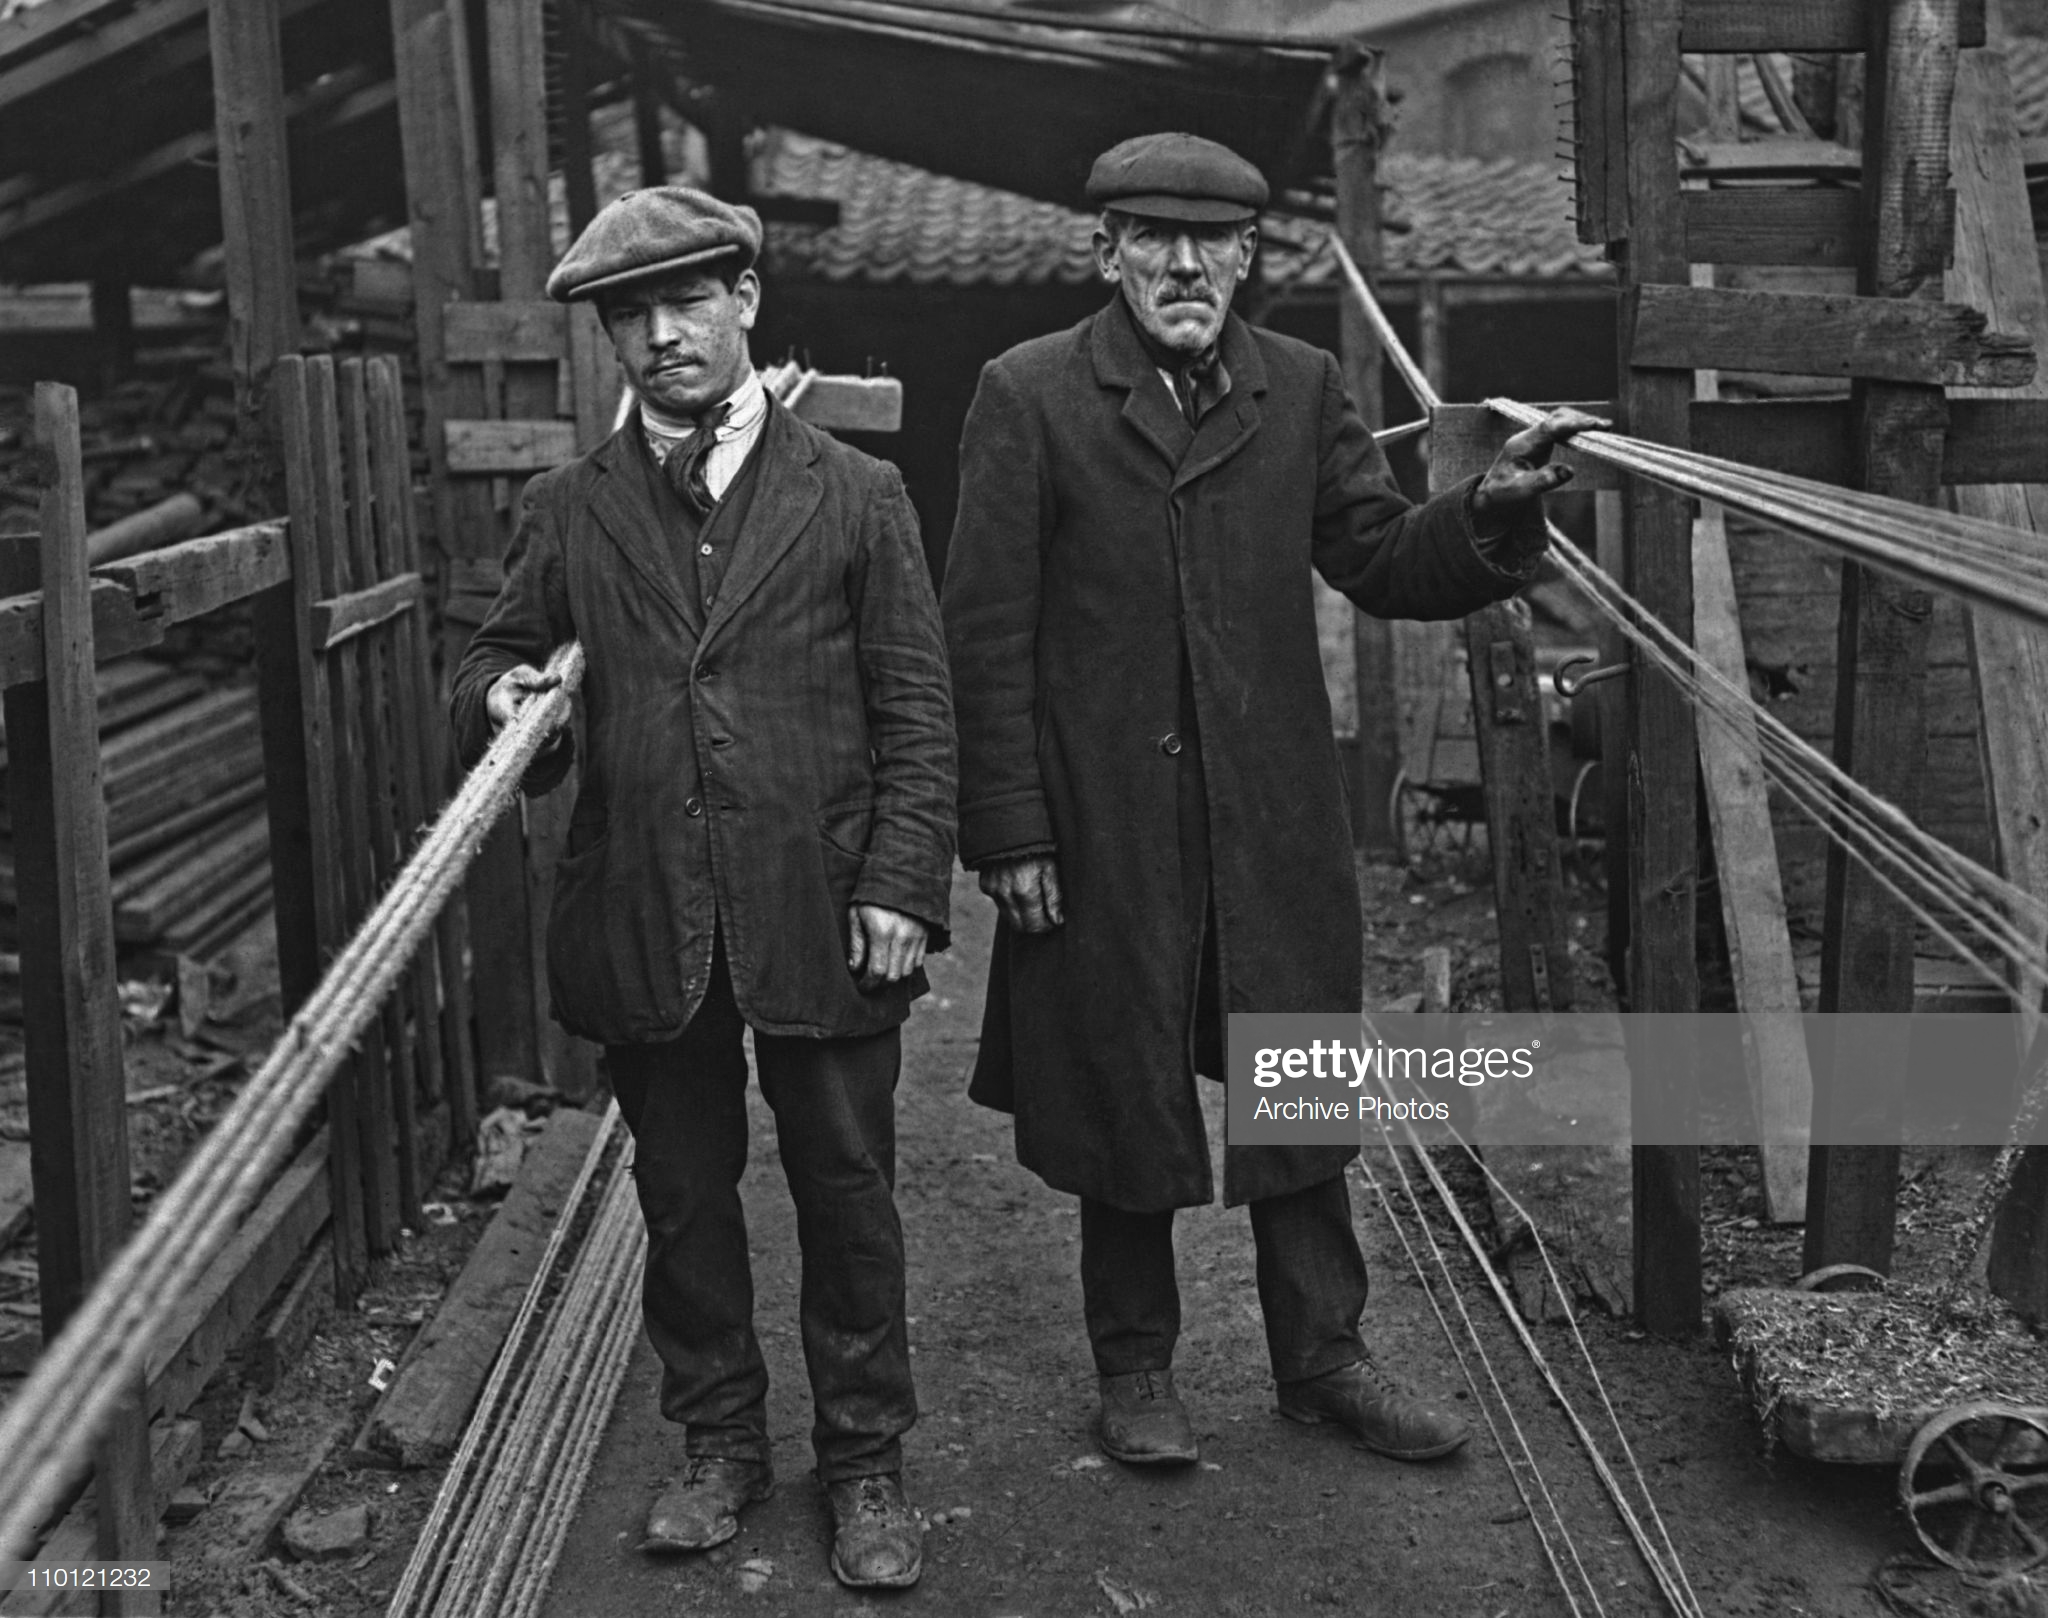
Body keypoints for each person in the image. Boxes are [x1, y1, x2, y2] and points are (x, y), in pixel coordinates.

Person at [941, 132, 1601, 1469]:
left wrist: (1488, 513)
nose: (1187, 265)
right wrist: (1007, 827)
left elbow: (1376, 552)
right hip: (1107, 827)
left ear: (1250, 256)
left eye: (1218, 243)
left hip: (1267, 819)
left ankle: (1326, 1357)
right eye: (1154, 238)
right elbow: (983, 633)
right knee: (1119, 1088)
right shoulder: (1030, 396)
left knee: (1298, 1084)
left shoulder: (1297, 390)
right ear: (1106, 251)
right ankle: (1135, 1367)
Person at [449, 186, 956, 1590]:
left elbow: (918, 707)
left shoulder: (857, 495)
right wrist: (508, 695)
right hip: (642, 909)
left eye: (686, 302)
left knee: (848, 1189)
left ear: (745, 299)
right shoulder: (571, 509)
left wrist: (905, 879)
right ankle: (719, 1440)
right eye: (632, 316)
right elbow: (483, 658)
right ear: (610, 337)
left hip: (825, 906)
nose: (663, 336)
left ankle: (863, 1460)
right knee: (682, 1195)